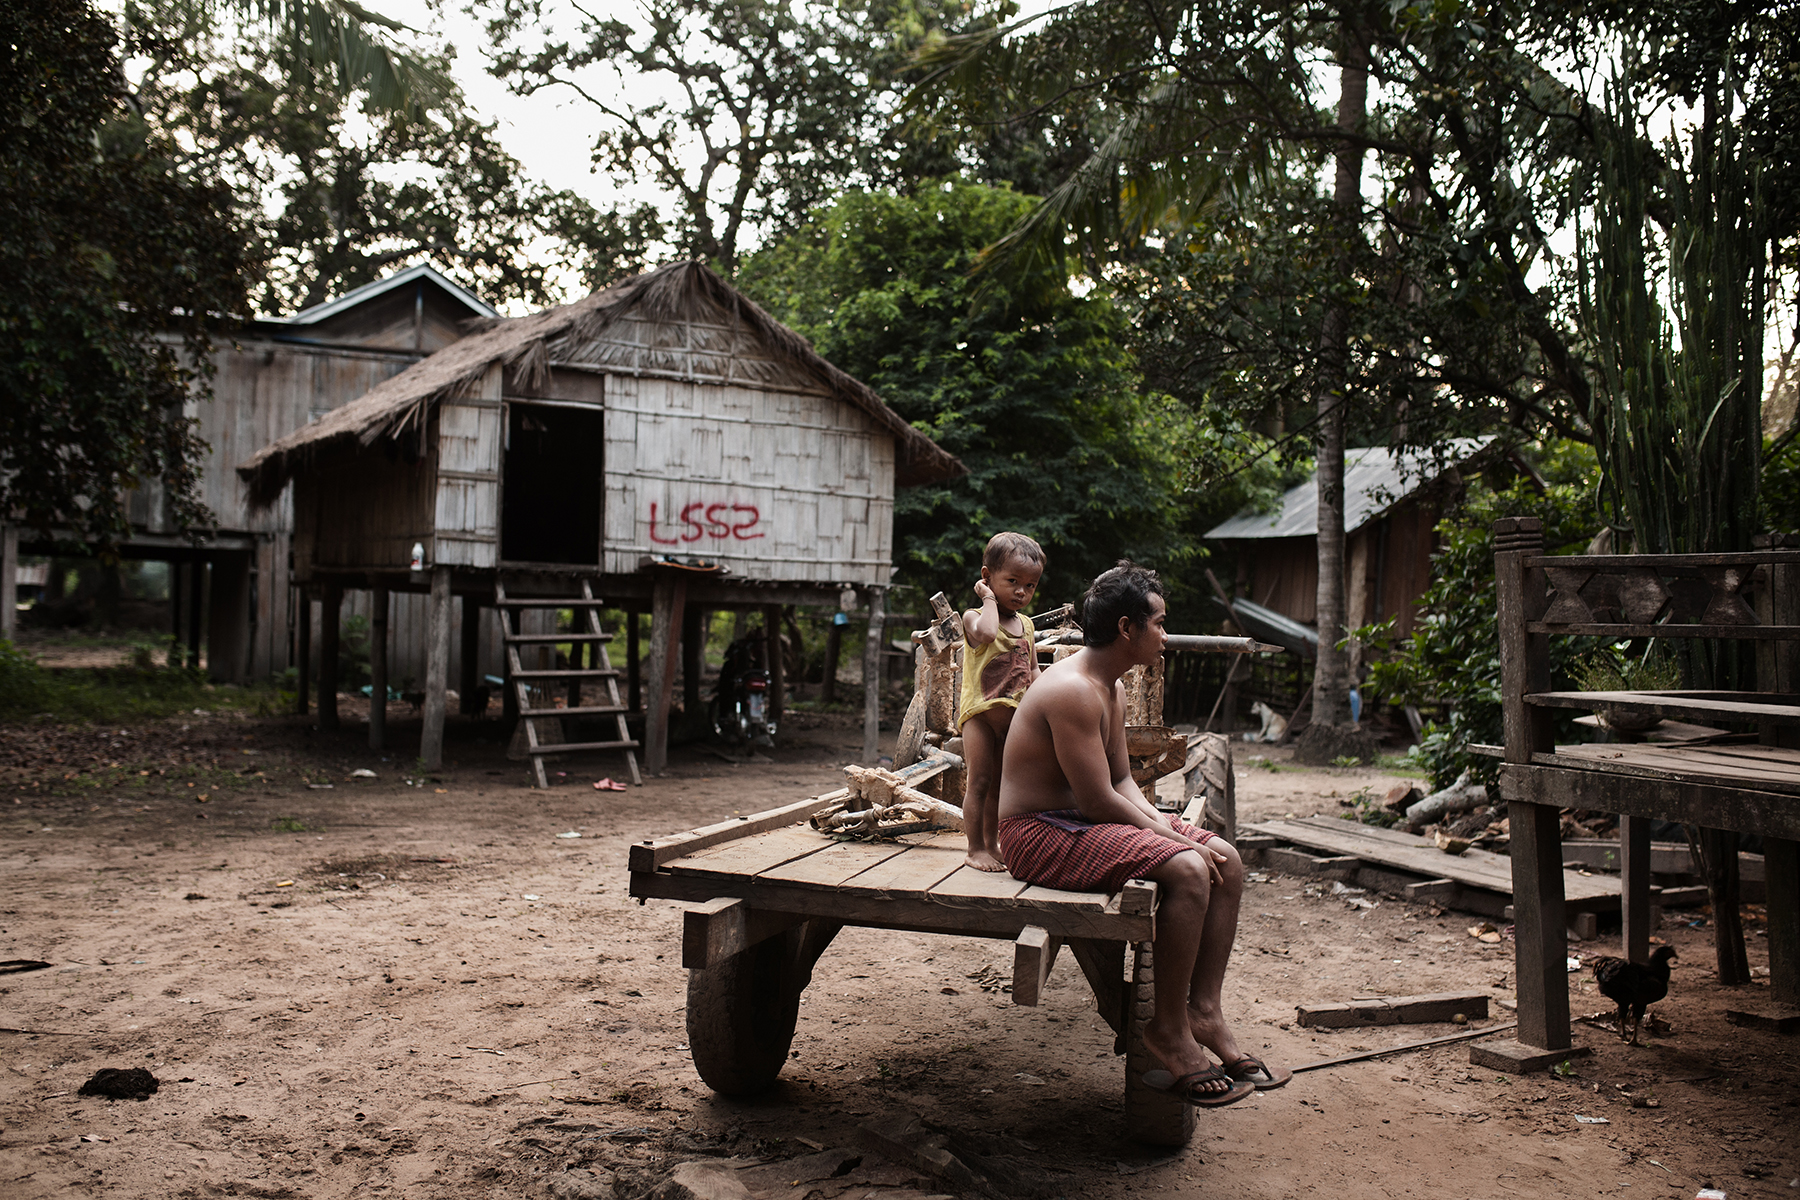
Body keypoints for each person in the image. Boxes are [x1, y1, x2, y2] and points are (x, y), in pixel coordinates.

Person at [997, 561, 1289, 1106]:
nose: (1165, 635)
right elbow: (1096, 799)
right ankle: (1168, 1029)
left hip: (1081, 822)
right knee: (1188, 867)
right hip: (1035, 833)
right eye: (1158, 623)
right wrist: (1175, 843)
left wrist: (1169, 828)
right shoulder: (1074, 690)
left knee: (1225, 855)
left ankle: (1203, 1011)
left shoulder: (1111, 688)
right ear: (1128, 628)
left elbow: (1123, 780)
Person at [957, 531, 1045, 872]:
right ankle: (974, 848)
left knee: (998, 785)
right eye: (1012, 581)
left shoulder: (1026, 625)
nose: (1021, 592)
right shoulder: (973, 617)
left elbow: (1033, 670)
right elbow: (988, 634)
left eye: (1030, 585)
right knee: (978, 782)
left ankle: (992, 845)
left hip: (1012, 721)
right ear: (987, 577)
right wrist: (987, 599)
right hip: (980, 715)